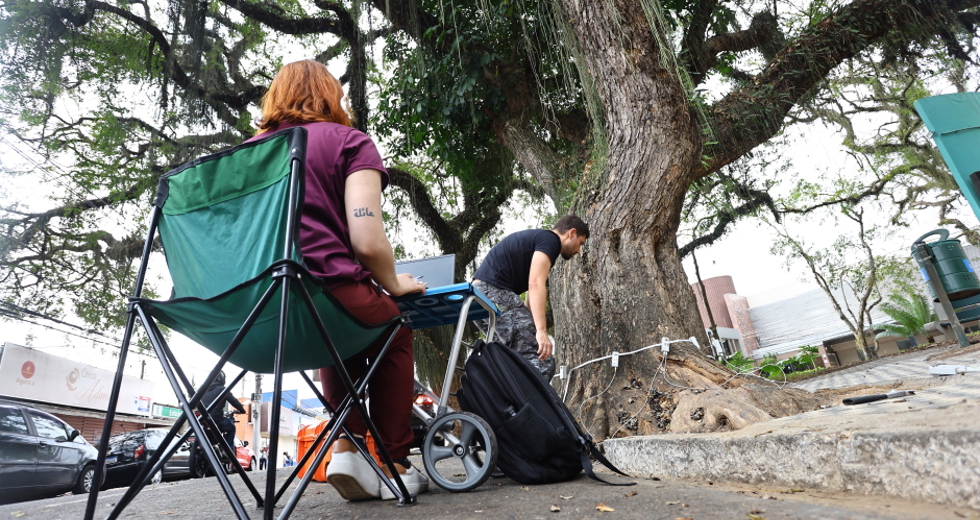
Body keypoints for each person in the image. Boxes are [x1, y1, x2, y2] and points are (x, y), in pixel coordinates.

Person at [249, 59, 428, 501]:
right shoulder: (350, 142)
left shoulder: (244, 155)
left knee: (333, 332)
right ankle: (395, 463)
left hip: (251, 314)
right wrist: (395, 284)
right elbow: (366, 241)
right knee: (393, 329)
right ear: (332, 98)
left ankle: (346, 446)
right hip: (325, 288)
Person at [472, 215, 590, 381]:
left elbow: (530, 289)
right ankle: (534, 405)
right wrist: (541, 331)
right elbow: (535, 284)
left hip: (478, 302)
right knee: (542, 358)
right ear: (571, 233)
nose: (578, 250)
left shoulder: (539, 240)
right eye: (581, 243)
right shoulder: (550, 240)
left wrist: (531, 325)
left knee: (513, 360)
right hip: (494, 293)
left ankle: (510, 402)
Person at [200, 371, 247, 455]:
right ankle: (227, 450)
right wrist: (242, 410)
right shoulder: (222, 389)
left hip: (202, 420)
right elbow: (234, 401)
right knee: (231, 427)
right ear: (222, 379)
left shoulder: (203, 390)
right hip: (217, 420)